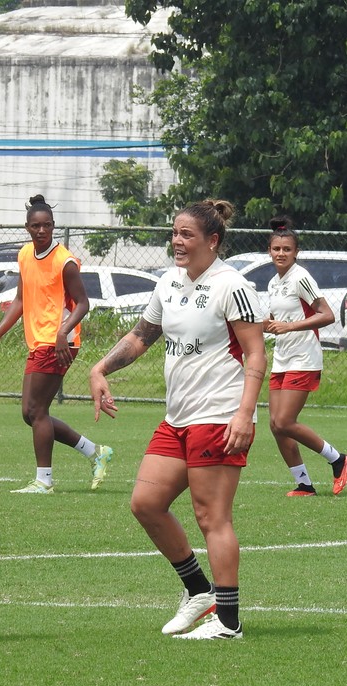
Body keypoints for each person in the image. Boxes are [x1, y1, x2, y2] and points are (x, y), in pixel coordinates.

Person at [89, 199, 266, 640]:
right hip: (178, 418)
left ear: (213, 240)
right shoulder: (167, 282)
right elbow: (141, 336)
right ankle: (198, 590)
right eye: (174, 233)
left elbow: (256, 354)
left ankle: (228, 622)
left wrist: (245, 415)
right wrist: (99, 370)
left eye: (187, 235)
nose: (177, 242)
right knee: (145, 504)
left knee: (212, 518)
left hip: (219, 414)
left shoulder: (232, 285)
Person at [0, 194, 112, 494]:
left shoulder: (64, 261)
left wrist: (62, 332)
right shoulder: (25, 255)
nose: (41, 231)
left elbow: (83, 303)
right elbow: (20, 299)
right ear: (27, 227)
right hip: (39, 340)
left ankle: (44, 481)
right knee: (30, 414)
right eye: (35, 226)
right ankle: (95, 452)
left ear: (53, 226)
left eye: (47, 226)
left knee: (36, 410)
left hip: (60, 342)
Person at [264, 215, 347, 497]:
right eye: (277, 249)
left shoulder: (301, 277)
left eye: (287, 249)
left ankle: (338, 459)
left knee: (285, 421)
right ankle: (304, 484)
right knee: (276, 426)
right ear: (270, 251)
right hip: (283, 357)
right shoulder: (274, 283)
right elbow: (278, 319)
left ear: (296, 252)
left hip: (304, 357)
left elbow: (326, 315)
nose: (281, 253)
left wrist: (289, 326)